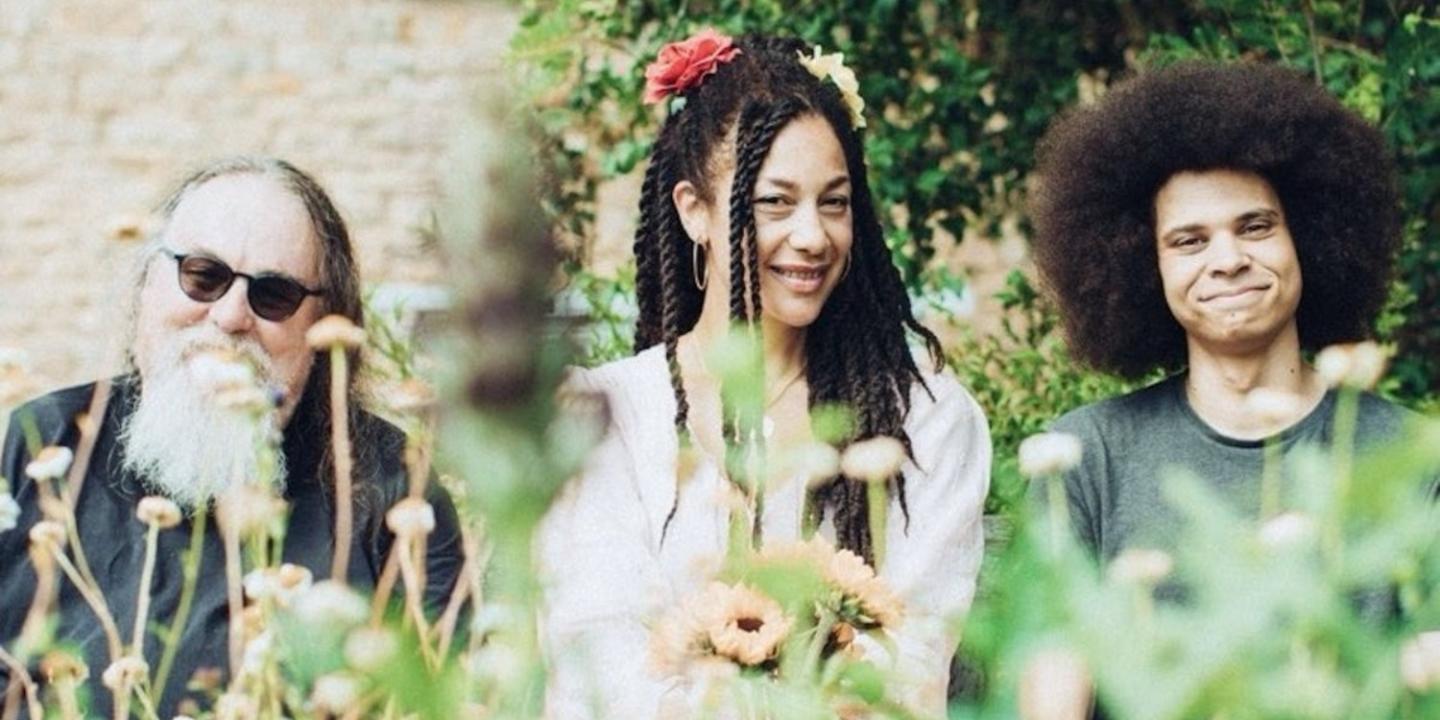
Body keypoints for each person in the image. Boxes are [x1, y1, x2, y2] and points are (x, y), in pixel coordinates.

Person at [538, 31, 991, 718]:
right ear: (695, 211)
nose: (812, 236)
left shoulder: (923, 419)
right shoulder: (607, 418)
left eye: (834, 203)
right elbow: (597, 666)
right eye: (775, 202)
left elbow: (909, 668)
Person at [0, 157, 462, 716]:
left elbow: (450, 693)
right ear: (149, 284)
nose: (229, 316)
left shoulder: (390, 482)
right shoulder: (42, 443)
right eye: (203, 275)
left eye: (273, 295)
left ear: (322, 328)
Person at [1028, 61, 1421, 564]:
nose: (1229, 261)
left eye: (1255, 227)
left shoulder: (1412, 454)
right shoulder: (1087, 456)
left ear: (1309, 239)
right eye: (1190, 241)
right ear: (1145, 266)